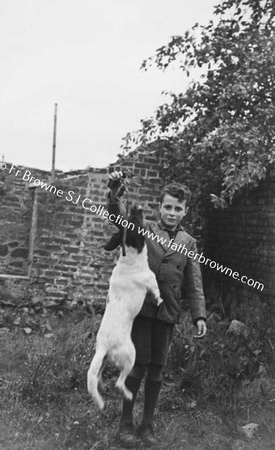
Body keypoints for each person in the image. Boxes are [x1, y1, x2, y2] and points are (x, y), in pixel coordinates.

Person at [105, 171, 207, 447]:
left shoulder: (189, 243)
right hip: (143, 308)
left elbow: (194, 283)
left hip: (168, 313)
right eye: (168, 207)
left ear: (185, 211)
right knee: (137, 365)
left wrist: (199, 315)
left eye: (178, 208)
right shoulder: (145, 229)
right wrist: (115, 193)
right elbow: (119, 220)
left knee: (157, 370)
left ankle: (147, 424)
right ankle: (126, 423)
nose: (172, 213)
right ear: (160, 207)